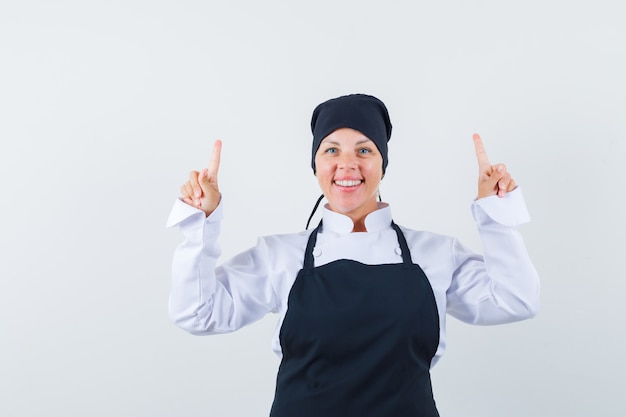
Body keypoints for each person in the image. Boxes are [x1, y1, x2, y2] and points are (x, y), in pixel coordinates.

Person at [166, 94, 540, 416]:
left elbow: (516, 301)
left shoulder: (435, 254)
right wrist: (201, 223)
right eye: (331, 150)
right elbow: (197, 314)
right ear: (316, 165)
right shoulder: (280, 256)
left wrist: (495, 217)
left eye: (364, 150)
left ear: (382, 164)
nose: (347, 164)